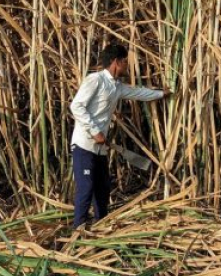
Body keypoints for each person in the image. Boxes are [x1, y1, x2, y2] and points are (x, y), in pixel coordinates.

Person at [69, 44, 170, 229]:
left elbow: (138, 93)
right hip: (84, 145)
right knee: (86, 187)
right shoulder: (95, 80)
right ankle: (78, 230)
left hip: (100, 148)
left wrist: (161, 94)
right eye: (125, 62)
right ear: (116, 62)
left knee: (102, 187)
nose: (127, 66)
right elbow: (76, 106)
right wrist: (95, 131)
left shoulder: (116, 87)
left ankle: (101, 225)